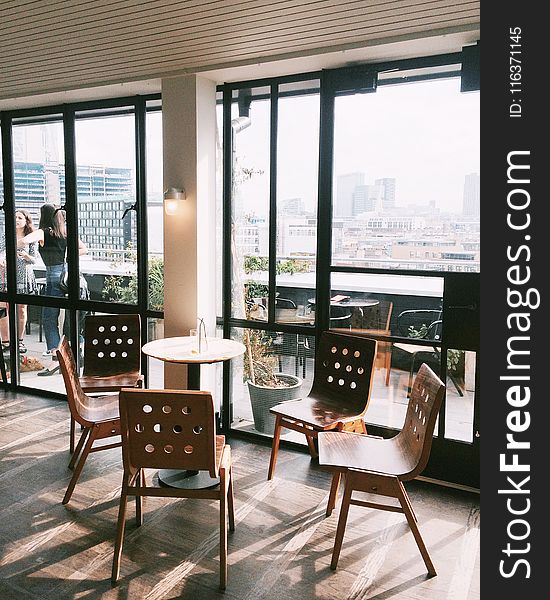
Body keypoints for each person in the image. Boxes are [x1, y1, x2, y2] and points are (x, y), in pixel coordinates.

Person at [18, 203, 87, 376]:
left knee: (49, 318)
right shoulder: (65, 232)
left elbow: (22, 241)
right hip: (69, 276)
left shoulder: (44, 232)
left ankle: (56, 360)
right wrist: (67, 254)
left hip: (53, 278)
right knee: (71, 318)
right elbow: (84, 249)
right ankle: (75, 352)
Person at [0, 209, 38, 354]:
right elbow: (1, 251)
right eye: (14, 217)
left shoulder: (31, 237)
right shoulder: (6, 235)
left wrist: (26, 256)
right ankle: (5, 341)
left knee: (21, 309)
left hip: (24, 276)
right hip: (5, 275)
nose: (16, 220)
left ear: (26, 221)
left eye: (20, 218)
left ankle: (19, 341)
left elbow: (34, 259)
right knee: (4, 308)